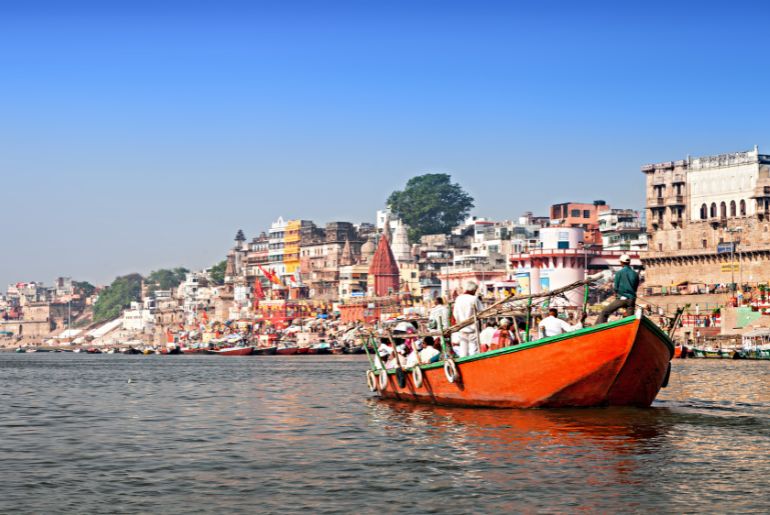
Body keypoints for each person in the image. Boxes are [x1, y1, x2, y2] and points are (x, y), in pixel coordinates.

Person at [596, 254, 640, 325]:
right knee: (630, 320)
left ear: (621, 262)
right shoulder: (635, 274)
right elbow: (635, 287)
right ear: (629, 262)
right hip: (631, 300)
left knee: (604, 312)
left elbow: (616, 287)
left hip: (621, 299)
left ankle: (598, 329)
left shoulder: (619, 273)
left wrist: (617, 294)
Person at [452, 281, 484, 357]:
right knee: (473, 351)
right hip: (473, 329)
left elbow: (455, 314)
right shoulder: (474, 299)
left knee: (463, 352)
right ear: (473, 290)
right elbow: (482, 313)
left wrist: (460, 322)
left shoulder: (458, 299)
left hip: (462, 328)